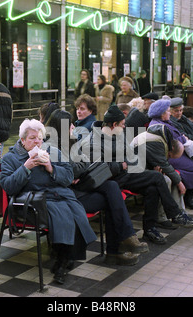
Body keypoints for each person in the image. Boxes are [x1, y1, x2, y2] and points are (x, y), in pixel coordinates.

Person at [82, 104, 193, 245]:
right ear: (114, 124)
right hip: (110, 181)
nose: (125, 127)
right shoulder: (93, 141)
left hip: (125, 174)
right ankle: (175, 214)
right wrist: (120, 165)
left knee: (152, 187)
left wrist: (130, 164)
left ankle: (150, 229)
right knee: (156, 178)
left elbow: (129, 155)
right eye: (122, 124)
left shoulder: (118, 135)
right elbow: (99, 168)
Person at [45, 109, 148, 266]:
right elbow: (72, 170)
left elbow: (80, 166)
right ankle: (117, 249)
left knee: (112, 189)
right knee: (112, 197)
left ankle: (123, 242)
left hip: (79, 189)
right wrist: (74, 171)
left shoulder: (70, 143)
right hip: (66, 198)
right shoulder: (50, 148)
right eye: (70, 124)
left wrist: (76, 170)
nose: (73, 126)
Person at [0, 119, 97, 284]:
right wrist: (26, 167)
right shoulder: (10, 158)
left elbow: (68, 177)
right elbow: (8, 186)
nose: (37, 142)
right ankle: (63, 260)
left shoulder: (52, 151)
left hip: (60, 194)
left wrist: (51, 168)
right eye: (32, 138)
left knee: (75, 210)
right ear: (22, 140)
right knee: (61, 212)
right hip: (34, 200)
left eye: (39, 138)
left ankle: (65, 256)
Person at [148, 96, 193, 209]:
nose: (169, 113)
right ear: (161, 114)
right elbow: (176, 140)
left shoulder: (165, 122)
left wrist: (183, 138)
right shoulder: (159, 125)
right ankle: (190, 198)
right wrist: (183, 139)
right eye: (167, 111)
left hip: (178, 152)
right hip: (172, 156)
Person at [130, 124, 187, 228]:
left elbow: (160, 163)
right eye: (169, 156)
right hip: (135, 172)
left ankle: (178, 214)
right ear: (172, 148)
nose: (168, 158)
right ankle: (161, 218)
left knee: (171, 177)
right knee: (166, 180)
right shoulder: (156, 142)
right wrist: (179, 182)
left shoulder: (161, 140)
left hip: (144, 168)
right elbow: (163, 164)